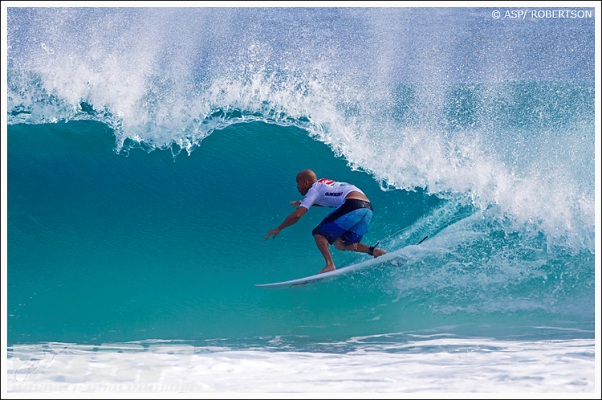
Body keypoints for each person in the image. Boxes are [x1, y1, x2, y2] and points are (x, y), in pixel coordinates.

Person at [265, 169, 386, 274]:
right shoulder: (324, 183)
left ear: (306, 182)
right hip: (367, 208)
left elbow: (297, 215)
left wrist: (279, 228)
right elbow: (330, 198)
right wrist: (305, 202)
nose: (297, 186)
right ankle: (374, 251)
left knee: (319, 234)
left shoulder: (314, 189)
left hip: (353, 204)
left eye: (298, 182)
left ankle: (329, 265)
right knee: (342, 244)